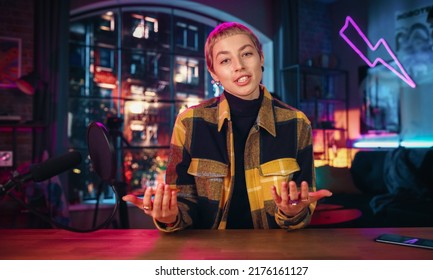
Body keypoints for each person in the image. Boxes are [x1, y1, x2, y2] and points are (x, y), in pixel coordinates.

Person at [123, 22, 332, 232]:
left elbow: (303, 204)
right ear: (213, 72)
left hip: (274, 253)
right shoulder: (189, 122)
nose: (238, 65)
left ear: (261, 57)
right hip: (209, 255)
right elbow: (183, 201)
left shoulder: (297, 123)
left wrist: (293, 213)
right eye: (225, 60)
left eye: (247, 54)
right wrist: (170, 216)